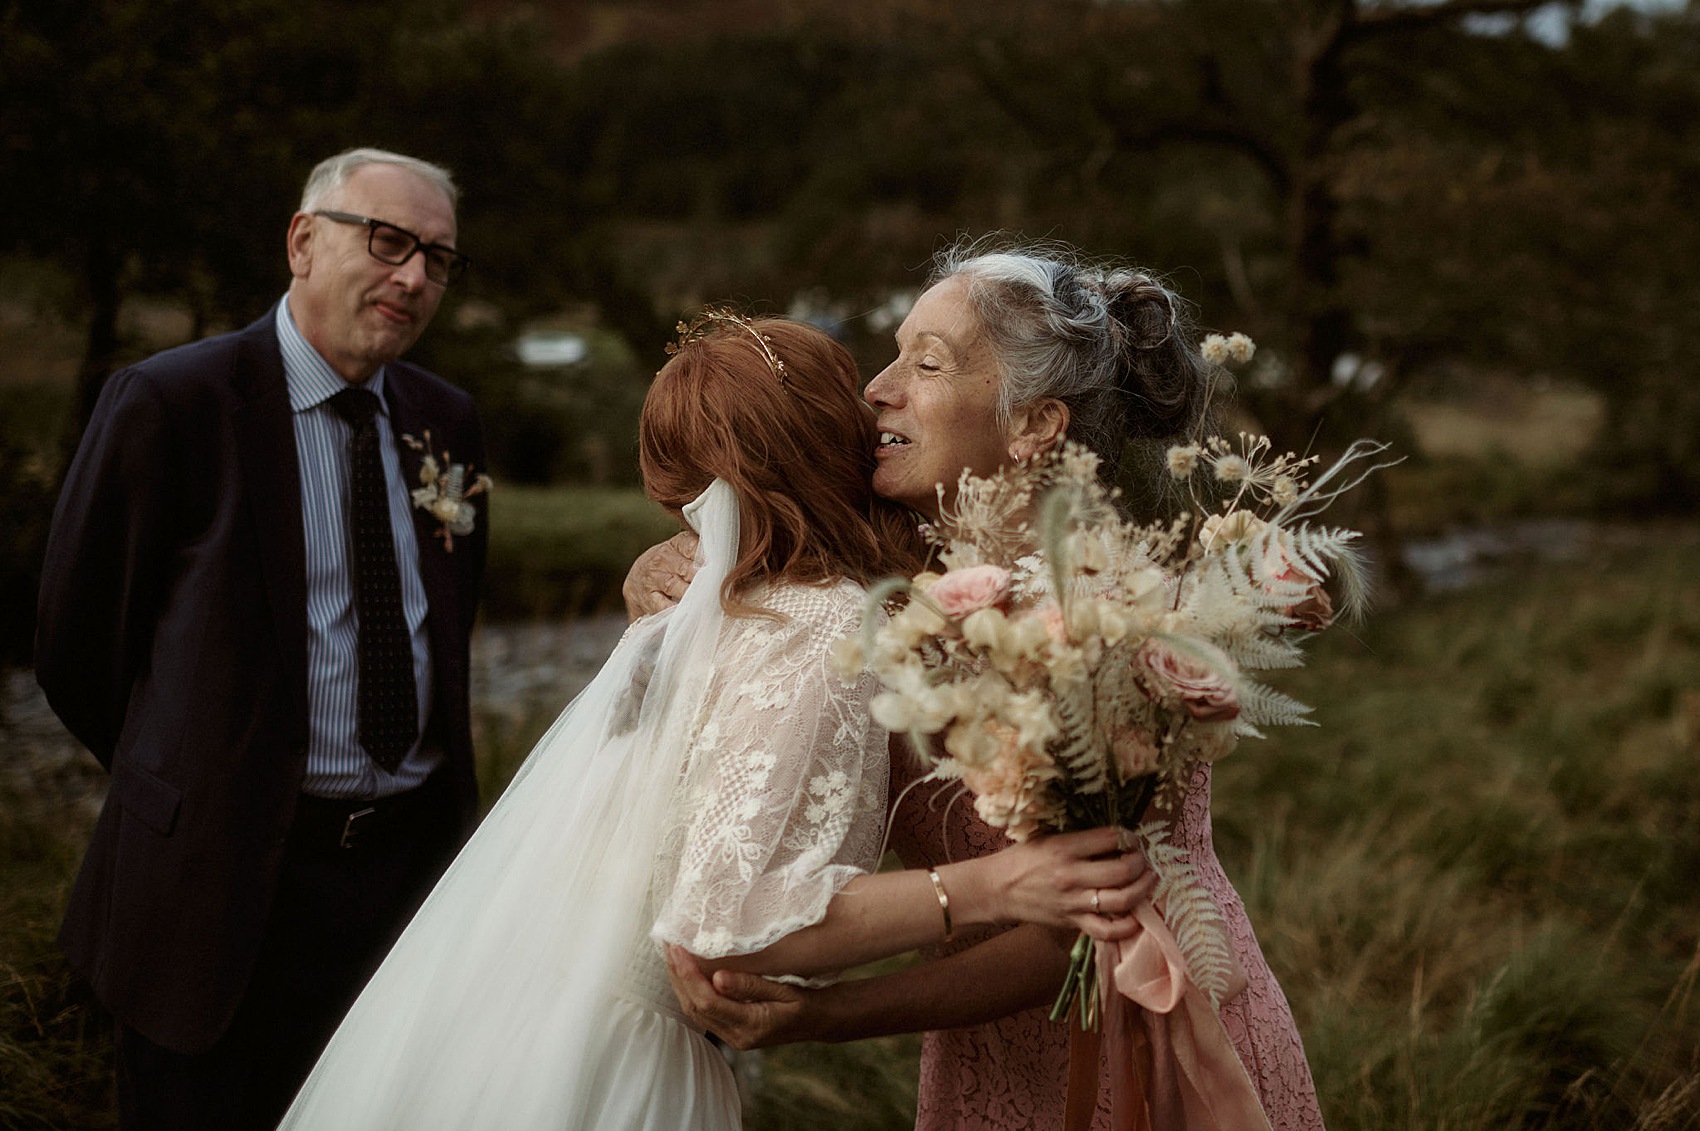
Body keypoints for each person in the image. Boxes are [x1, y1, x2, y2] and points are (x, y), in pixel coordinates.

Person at [278, 313, 1152, 1130]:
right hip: (637, 1050)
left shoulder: (730, 609)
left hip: (529, 1010)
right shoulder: (812, 622)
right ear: (827, 440)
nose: (878, 399)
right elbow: (730, 917)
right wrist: (991, 887)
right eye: (861, 382)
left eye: (921, 363)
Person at [645, 241, 1327, 1129]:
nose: (877, 390)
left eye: (926, 363)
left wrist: (826, 1015)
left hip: (1154, 1044)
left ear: (1035, 424)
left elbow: (1075, 930)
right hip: (985, 1067)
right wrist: (677, 567)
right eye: (892, 353)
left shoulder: (1107, 619)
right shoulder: (878, 589)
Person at [35, 147, 486, 1131]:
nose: (414, 276)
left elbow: (445, 639)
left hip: (403, 889)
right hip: (216, 893)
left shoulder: (443, 421)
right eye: (388, 241)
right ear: (301, 241)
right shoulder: (175, 402)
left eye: (438, 259)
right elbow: (77, 643)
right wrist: (197, 776)